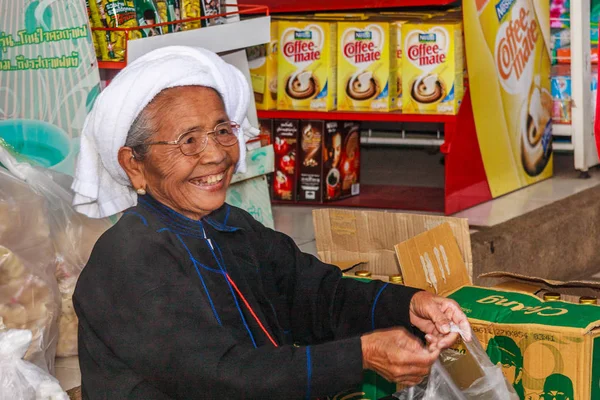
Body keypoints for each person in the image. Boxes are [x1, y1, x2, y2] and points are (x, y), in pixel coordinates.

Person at [71, 46, 471, 399]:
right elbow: (220, 378)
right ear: (134, 165)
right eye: (188, 141)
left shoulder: (234, 228)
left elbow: (317, 296)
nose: (215, 156)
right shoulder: (127, 260)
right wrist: (360, 355)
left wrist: (408, 306)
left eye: (222, 131)